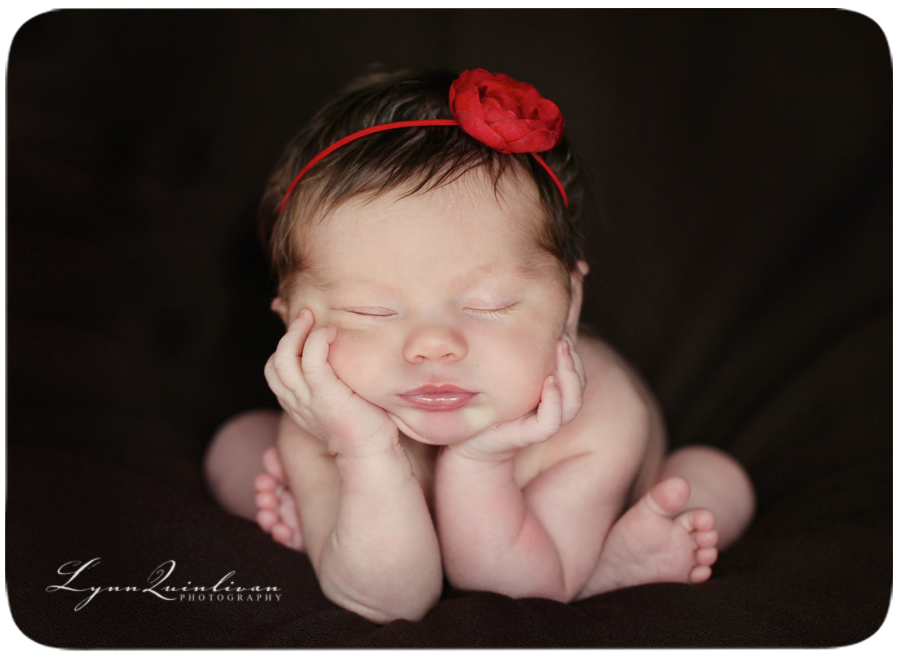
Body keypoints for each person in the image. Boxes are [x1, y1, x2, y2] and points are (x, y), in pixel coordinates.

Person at [204, 68, 755, 624]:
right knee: (238, 440)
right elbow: (386, 600)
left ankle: (606, 569)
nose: (433, 345)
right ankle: (309, 514)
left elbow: (515, 592)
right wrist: (365, 451)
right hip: (367, 481)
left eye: (488, 305)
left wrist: (480, 462)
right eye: (370, 312)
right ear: (291, 328)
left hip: (552, 551)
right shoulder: (329, 425)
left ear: (570, 302)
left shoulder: (599, 420)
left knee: (713, 479)